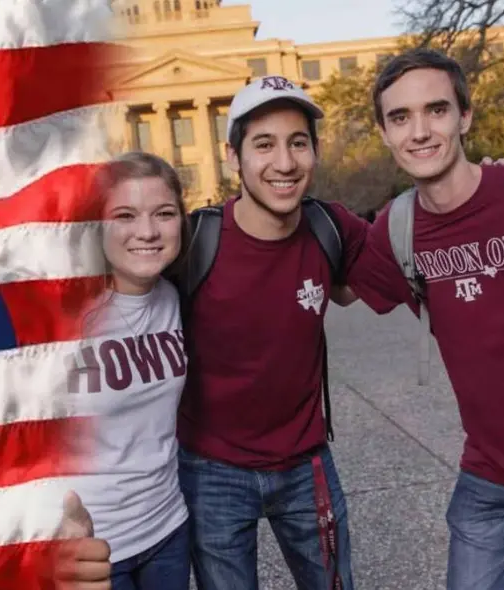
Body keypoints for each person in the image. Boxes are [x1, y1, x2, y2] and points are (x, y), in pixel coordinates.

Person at [342, 49, 504, 589]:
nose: (419, 132)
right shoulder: (399, 228)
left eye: (436, 110)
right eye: (399, 117)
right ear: (385, 133)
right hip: (493, 480)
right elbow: (336, 287)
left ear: (465, 117)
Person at [175, 75, 369, 590]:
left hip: (307, 465)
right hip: (210, 471)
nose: (284, 163)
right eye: (264, 144)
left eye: (297, 143)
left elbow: (413, 261)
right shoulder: (192, 241)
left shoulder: (334, 228)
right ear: (233, 156)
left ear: (315, 152)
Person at [63, 152, 192, 590]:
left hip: (168, 529)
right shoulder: (62, 313)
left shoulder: (173, 298)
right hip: (91, 547)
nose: (148, 231)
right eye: (125, 215)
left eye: (164, 213)